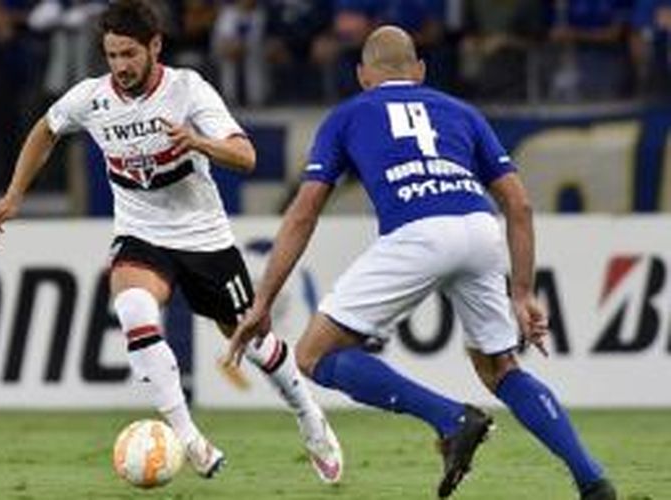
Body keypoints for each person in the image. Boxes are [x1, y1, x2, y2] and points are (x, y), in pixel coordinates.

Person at [227, 25, 617, 500]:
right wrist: (522, 292)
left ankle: (451, 419)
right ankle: (592, 480)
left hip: (418, 232)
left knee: (314, 354)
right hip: (479, 227)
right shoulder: (462, 112)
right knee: (501, 369)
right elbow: (519, 205)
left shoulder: (347, 114)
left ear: (363, 77)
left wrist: (263, 299)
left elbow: (304, 211)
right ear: (420, 71)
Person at [0, 0, 342, 483]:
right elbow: (46, 129)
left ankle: (309, 416)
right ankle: (189, 437)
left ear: (155, 46)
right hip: (140, 233)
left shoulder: (188, 90)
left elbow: (246, 156)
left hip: (204, 238)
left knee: (254, 344)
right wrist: (13, 194)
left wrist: (199, 143)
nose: (120, 66)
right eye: (111, 55)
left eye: (129, 54)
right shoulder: (92, 97)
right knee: (133, 309)